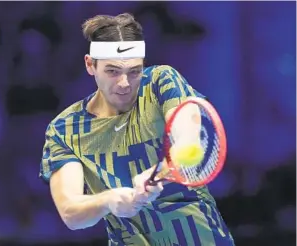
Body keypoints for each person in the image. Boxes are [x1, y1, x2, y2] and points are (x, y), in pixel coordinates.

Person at [39, 13, 234, 245]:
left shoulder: (162, 81)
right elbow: (71, 213)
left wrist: (159, 172)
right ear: (90, 65)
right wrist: (109, 200)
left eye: (134, 71)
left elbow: (189, 143)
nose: (124, 83)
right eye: (112, 71)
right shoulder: (64, 129)